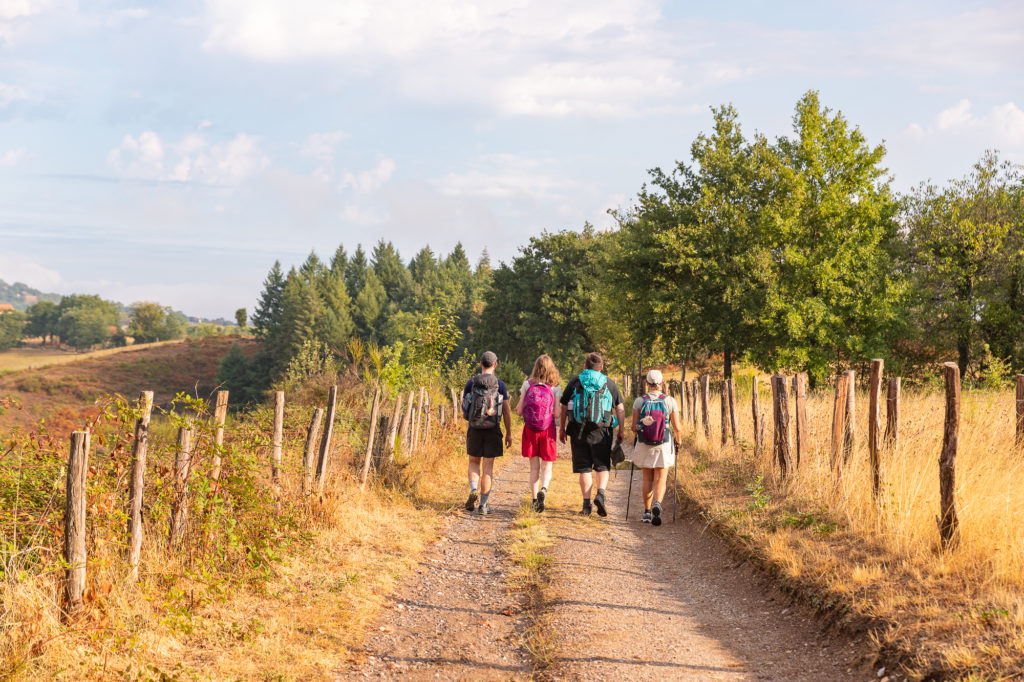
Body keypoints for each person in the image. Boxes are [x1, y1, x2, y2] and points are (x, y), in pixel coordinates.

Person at [559, 352, 625, 516]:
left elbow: (563, 406)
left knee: (584, 469)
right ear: (601, 367)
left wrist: (562, 428)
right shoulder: (609, 383)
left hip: (578, 430)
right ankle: (600, 494)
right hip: (602, 431)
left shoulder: (576, 381)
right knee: (602, 465)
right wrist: (621, 431)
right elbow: (620, 409)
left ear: (585, 366)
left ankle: (586, 505)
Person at [462, 351, 512, 515]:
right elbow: (506, 411)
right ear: (495, 365)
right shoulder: (500, 385)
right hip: (492, 429)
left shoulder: (471, 383)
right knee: (488, 468)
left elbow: (464, 407)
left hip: (474, 428)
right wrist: (509, 432)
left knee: (474, 462)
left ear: (481, 364)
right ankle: (483, 505)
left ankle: (473, 490)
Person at [630, 369, 683, 526]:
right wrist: (678, 441)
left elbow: (634, 427)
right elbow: (677, 427)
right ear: (662, 383)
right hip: (663, 443)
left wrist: (642, 426)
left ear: (647, 383)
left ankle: (646, 512)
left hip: (644, 442)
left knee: (647, 478)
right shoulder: (670, 401)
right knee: (661, 478)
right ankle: (657, 504)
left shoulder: (639, 401)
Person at [515, 354, 562, 512]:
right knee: (547, 465)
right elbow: (556, 414)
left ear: (536, 367)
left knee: (534, 467)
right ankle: (544, 489)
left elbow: (519, 410)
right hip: (547, 430)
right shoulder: (555, 387)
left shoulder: (527, 385)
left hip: (530, 430)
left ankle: (535, 500)